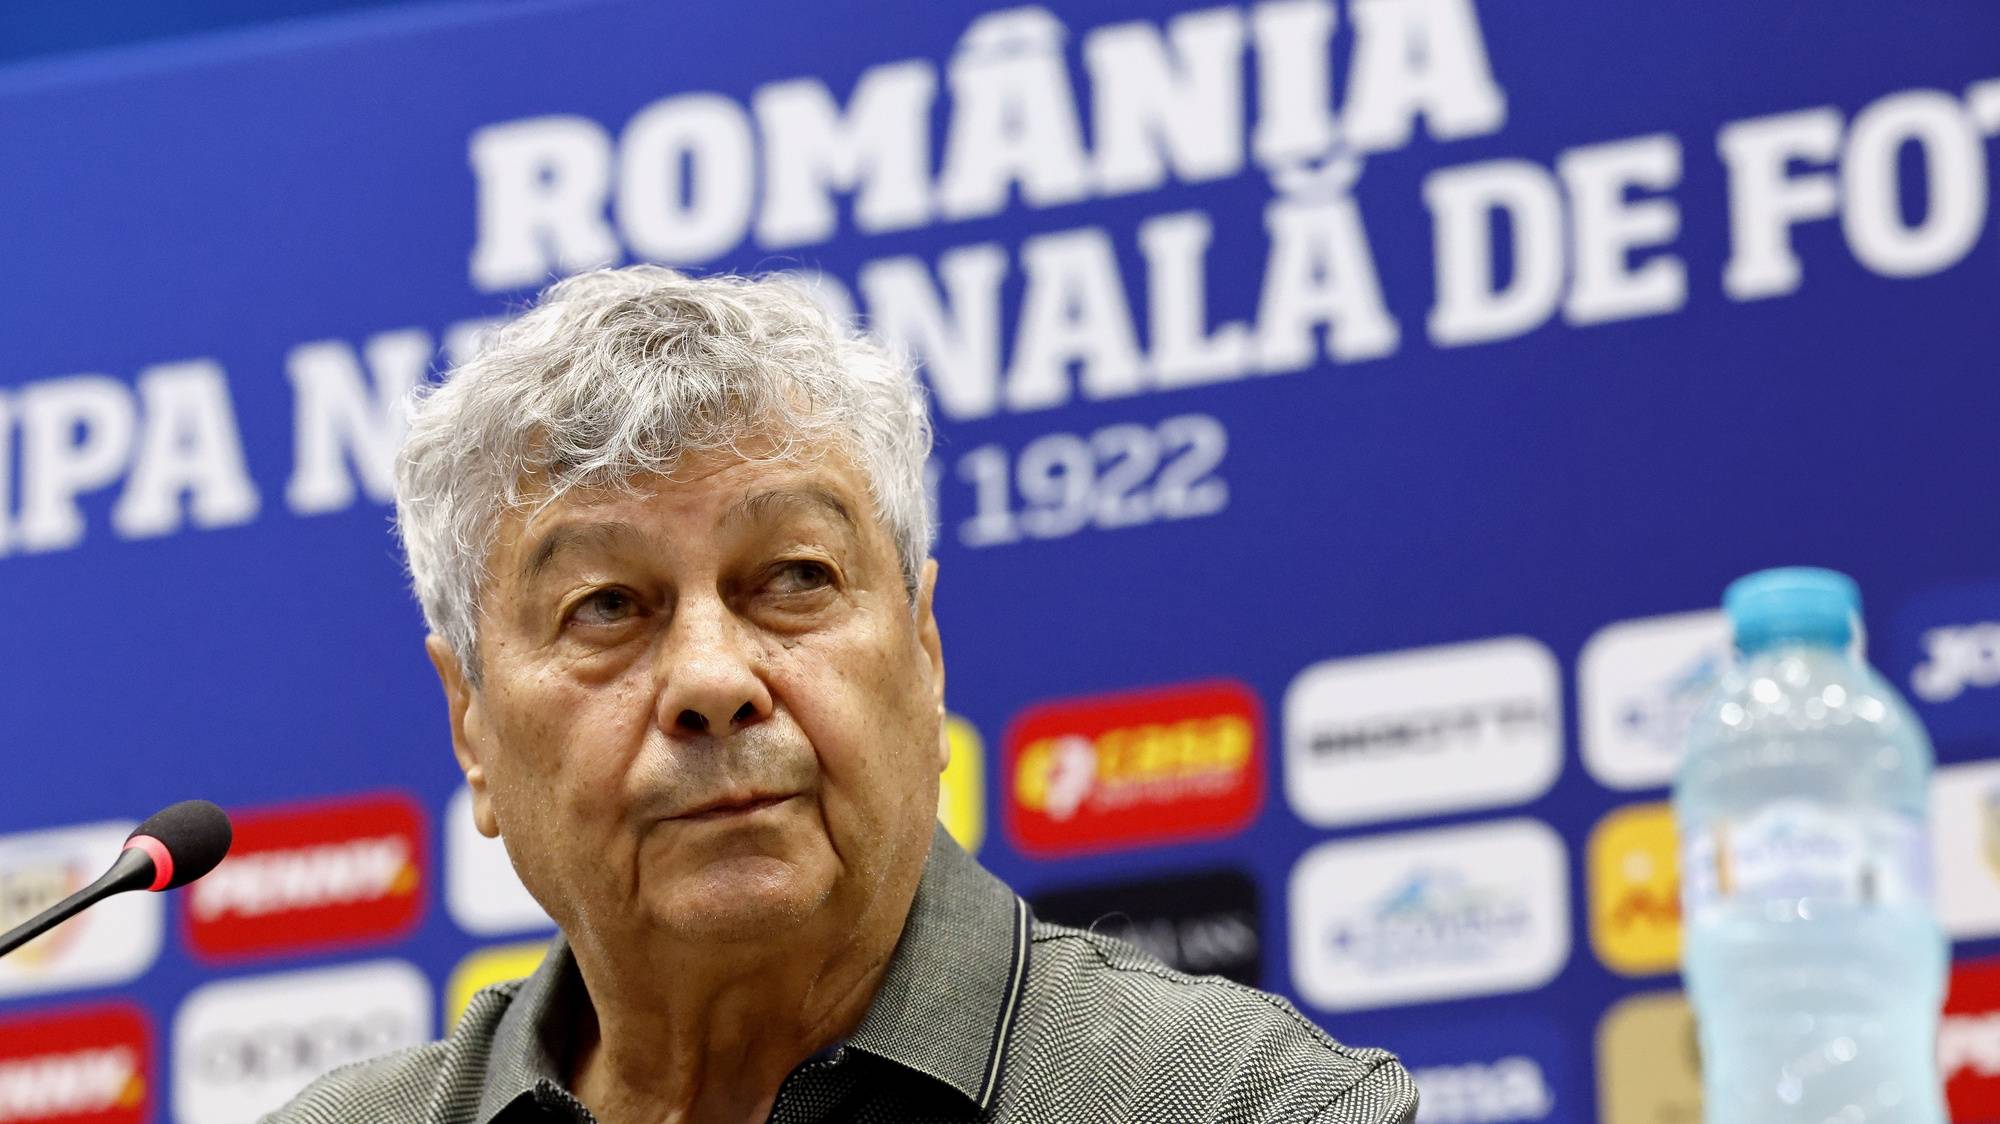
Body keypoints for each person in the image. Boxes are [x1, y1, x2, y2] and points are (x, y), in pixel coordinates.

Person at [266, 266, 1417, 1124]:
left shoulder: (1240, 1107)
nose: (714, 680)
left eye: (793, 579)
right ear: (469, 720)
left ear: (922, 649)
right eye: (608, 605)